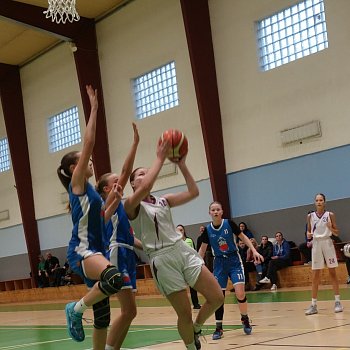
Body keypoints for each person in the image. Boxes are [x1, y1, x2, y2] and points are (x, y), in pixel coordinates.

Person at [123, 140, 224, 350]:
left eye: (146, 172)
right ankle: (191, 346)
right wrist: (160, 157)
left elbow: (194, 192)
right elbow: (147, 186)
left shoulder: (163, 200)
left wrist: (182, 164)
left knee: (217, 297)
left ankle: (197, 327)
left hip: (181, 250)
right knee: (184, 313)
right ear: (132, 184)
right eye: (140, 174)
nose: (145, 176)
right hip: (162, 259)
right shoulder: (131, 205)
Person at [57, 85, 123, 347]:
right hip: (83, 251)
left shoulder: (91, 195)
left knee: (103, 317)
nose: (91, 162)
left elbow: (102, 219)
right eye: (85, 160)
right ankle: (74, 309)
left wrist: (115, 200)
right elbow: (89, 142)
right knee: (113, 278)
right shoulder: (78, 183)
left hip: (96, 250)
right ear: (75, 167)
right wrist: (94, 108)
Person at [96, 123, 143, 350]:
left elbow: (131, 239)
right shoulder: (109, 203)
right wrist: (134, 143)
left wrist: (151, 248)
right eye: (114, 181)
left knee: (131, 312)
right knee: (127, 310)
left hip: (127, 251)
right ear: (106, 189)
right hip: (116, 253)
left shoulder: (121, 207)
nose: (119, 182)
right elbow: (126, 172)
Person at [198, 201, 263, 340]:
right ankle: (219, 328)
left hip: (234, 260)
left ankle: (244, 319)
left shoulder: (229, 224)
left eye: (218, 209)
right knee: (218, 297)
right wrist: (197, 265)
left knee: (240, 293)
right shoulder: (208, 230)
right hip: (219, 263)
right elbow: (202, 251)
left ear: (222, 212)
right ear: (209, 213)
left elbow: (243, 237)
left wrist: (253, 250)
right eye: (213, 210)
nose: (215, 212)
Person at [304, 193, 343, 315]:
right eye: (317, 200)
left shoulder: (330, 215)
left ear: (324, 202)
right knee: (315, 275)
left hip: (327, 243)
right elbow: (308, 232)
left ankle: (337, 302)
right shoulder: (310, 216)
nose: (319, 202)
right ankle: (313, 304)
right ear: (315, 202)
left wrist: (330, 228)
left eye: (321, 200)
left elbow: (337, 233)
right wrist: (308, 235)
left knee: (332, 273)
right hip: (316, 244)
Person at [177, 224, 201, 310]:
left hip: (189, 266)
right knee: (181, 288)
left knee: (193, 286)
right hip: (180, 267)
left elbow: (194, 252)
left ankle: (196, 304)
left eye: (181, 230)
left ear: (184, 231)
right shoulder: (175, 243)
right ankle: (182, 306)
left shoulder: (189, 240)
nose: (180, 232)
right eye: (178, 230)